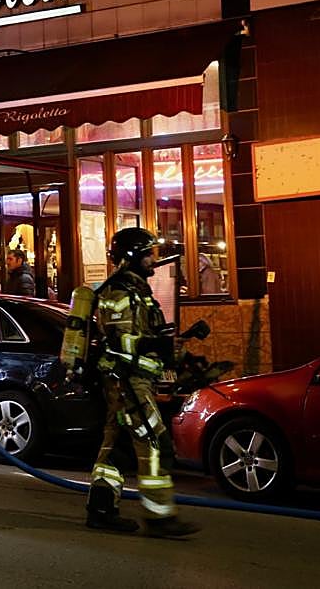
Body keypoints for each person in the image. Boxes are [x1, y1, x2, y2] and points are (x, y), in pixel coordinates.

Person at [84, 227, 200, 538]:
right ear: (132, 256)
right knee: (154, 440)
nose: (154, 260)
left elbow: (150, 335)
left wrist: (181, 354)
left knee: (116, 448)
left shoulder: (138, 292)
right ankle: (159, 517)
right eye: (149, 254)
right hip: (126, 380)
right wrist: (155, 347)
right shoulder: (118, 292)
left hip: (135, 379)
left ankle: (101, 509)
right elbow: (120, 341)